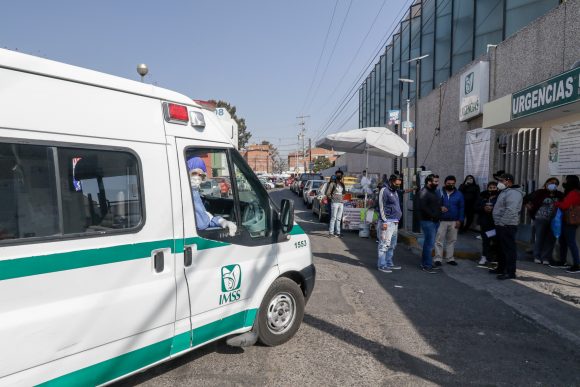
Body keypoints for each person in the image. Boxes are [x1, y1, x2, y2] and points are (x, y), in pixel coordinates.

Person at [188, 158, 237, 236]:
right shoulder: (181, 194)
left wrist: (222, 222)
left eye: (201, 175)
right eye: (194, 173)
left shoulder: (195, 194)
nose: (197, 178)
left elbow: (204, 217)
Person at [491, 173, 524, 280]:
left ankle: (510, 272)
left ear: (508, 181)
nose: (499, 183)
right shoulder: (506, 191)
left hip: (507, 225)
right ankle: (501, 268)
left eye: (501, 181)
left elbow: (511, 210)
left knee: (508, 249)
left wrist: (502, 223)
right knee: (500, 248)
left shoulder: (514, 193)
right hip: (502, 224)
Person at [527, 178, 563, 265]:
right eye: (551, 182)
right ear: (546, 183)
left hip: (554, 221)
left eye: (555, 183)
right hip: (540, 218)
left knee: (550, 239)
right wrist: (528, 205)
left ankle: (546, 257)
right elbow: (526, 198)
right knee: (539, 238)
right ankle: (537, 256)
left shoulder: (559, 194)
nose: (553, 184)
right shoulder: (540, 192)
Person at [434, 176, 464, 266]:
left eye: (452, 184)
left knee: (451, 240)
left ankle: (450, 258)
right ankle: (438, 259)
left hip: (454, 221)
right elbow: (433, 204)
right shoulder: (438, 192)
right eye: (449, 184)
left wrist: (460, 220)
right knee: (439, 240)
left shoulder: (459, 194)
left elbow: (462, 208)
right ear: (445, 183)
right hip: (441, 220)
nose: (451, 185)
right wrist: (440, 207)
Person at [377, 174, 403, 273]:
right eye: (396, 184)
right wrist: (384, 221)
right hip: (387, 222)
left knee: (392, 245)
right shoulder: (384, 190)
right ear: (391, 181)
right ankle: (382, 265)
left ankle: (389, 263)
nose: (398, 186)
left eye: (399, 184)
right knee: (384, 244)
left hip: (395, 222)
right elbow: (381, 206)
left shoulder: (394, 191)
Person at [555, 175, 580, 273]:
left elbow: (565, 206)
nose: (564, 182)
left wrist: (557, 204)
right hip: (568, 220)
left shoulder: (574, 193)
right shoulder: (574, 192)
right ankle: (562, 261)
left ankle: (577, 265)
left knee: (571, 242)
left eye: (566, 180)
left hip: (570, 221)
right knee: (563, 241)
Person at [418, 174, 441, 273]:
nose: (437, 183)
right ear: (429, 182)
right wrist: (432, 216)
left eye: (437, 181)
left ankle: (426, 263)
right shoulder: (424, 192)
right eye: (435, 181)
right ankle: (427, 265)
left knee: (429, 243)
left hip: (435, 221)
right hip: (428, 221)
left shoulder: (435, 191)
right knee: (429, 244)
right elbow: (423, 207)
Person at [476, 181, 499, 266]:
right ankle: (484, 256)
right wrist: (484, 208)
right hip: (485, 223)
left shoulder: (499, 197)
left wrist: (493, 209)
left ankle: (494, 256)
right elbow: (476, 207)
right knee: (486, 241)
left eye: (494, 187)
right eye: (490, 187)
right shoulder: (483, 196)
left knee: (497, 241)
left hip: (496, 223)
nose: (492, 189)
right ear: (487, 188)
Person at [325, 169, 346, 238]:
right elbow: (327, 193)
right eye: (338, 174)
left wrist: (342, 198)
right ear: (336, 175)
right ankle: (331, 233)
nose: (339, 175)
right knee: (333, 218)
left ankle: (338, 232)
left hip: (341, 203)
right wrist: (332, 199)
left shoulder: (342, 184)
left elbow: (344, 193)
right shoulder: (332, 184)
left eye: (340, 174)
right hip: (334, 203)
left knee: (339, 218)